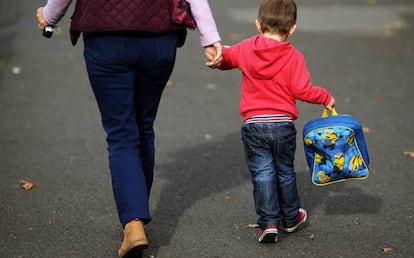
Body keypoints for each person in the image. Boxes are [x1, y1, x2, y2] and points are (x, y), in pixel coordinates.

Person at [36, 0, 222, 257]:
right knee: (143, 126)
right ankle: (136, 215)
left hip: (105, 38)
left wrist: (49, 15)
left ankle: (133, 224)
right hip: (159, 37)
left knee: (121, 133)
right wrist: (210, 37)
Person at [207, 0, 335, 243]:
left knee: (263, 174)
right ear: (292, 28)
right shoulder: (294, 57)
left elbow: (228, 58)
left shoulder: (246, 48)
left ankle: (268, 223)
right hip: (282, 125)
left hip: (254, 124)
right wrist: (325, 97)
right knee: (285, 172)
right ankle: (290, 217)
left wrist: (217, 55)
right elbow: (302, 89)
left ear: (258, 24)